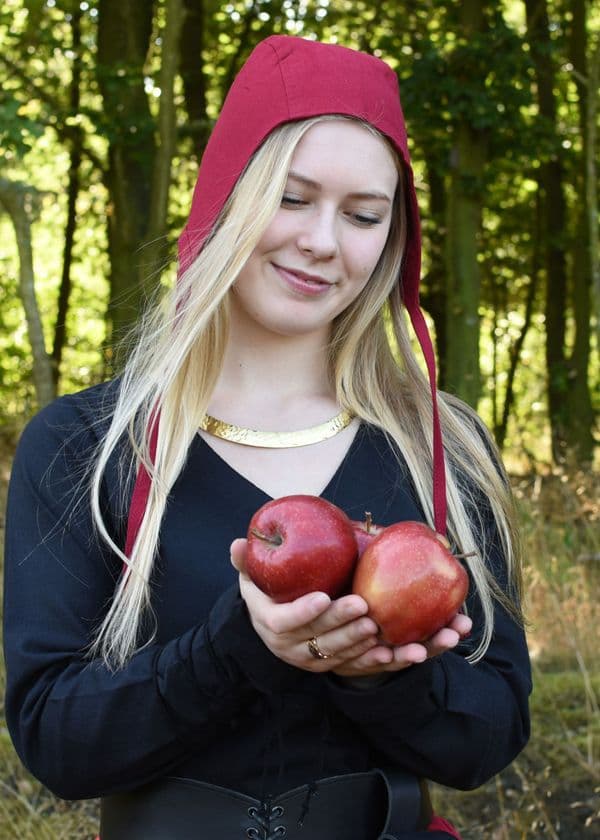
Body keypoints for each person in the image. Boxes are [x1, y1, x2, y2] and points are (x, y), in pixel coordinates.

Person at [3, 35, 531, 840]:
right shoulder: (86, 447)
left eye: (363, 215)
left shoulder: (441, 451)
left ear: (392, 241)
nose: (323, 241)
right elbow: (57, 742)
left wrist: (374, 678)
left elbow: (488, 736)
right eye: (291, 197)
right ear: (228, 196)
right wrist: (239, 644)